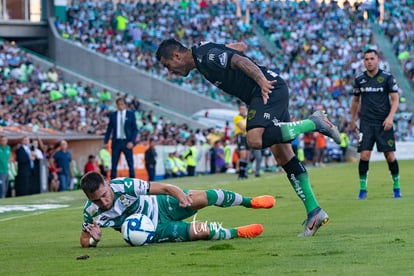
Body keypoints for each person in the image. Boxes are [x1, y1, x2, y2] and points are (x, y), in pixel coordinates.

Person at [156, 39, 341, 236]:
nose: (170, 72)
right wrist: (233, 51)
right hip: (268, 89)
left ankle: (314, 123)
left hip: (266, 89)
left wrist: (261, 81)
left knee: (254, 139)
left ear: (177, 56)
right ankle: (314, 211)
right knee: (282, 155)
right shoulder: (202, 54)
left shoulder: (205, 57)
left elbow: (237, 59)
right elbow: (240, 47)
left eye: (168, 66)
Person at [79, 171, 275, 247]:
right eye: (96, 200)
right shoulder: (91, 212)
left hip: (162, 204)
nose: (103, 202)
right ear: (89, 198)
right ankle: (238, 233)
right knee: (202, 232)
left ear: (107, 184)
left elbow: (164, 188)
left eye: (104, 195)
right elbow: (84, 240)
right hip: (154, 232)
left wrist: (180, 195)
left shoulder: (124, 185)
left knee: (206, 197)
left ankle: (250, 201)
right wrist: (94, 240)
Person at [350, 49, 401, 200]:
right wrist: (353, 120)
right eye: (366, 59)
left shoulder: (387, 78)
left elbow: (395, 99)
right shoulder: (360, 79)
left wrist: (390, 117)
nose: (369, 61)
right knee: (364, 155)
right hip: (366, 123)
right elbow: (355, 101)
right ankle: (362, 189)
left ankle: (396, 187)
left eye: (372, 58)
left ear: (377, 59)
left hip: (383, 122)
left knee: (390, 156)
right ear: (363, 61)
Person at [104, 97, 138, 179]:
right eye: (118, 104)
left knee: (130, 163)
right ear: (116, 105)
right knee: (114, 163)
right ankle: (113, 183)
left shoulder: (130, 114)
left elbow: (135, 129)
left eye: (122, 104)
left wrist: (132, 141)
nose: (120, 106)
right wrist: (106, 141)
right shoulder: (113, 115)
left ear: (125, 105)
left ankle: (133, 182)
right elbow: (109, 129)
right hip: (116, 142)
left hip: (127, 142)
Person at [233, 103, 249, 179]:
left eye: (244, 109)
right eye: (241, 109)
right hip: (241, 136)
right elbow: (242, 128)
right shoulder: (237, 117)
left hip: (247, 136)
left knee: (247, 155)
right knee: (243, 154)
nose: (243, 110)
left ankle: (244, 172)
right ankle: (241, 173)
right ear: (239, 110)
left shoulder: (247, 117)